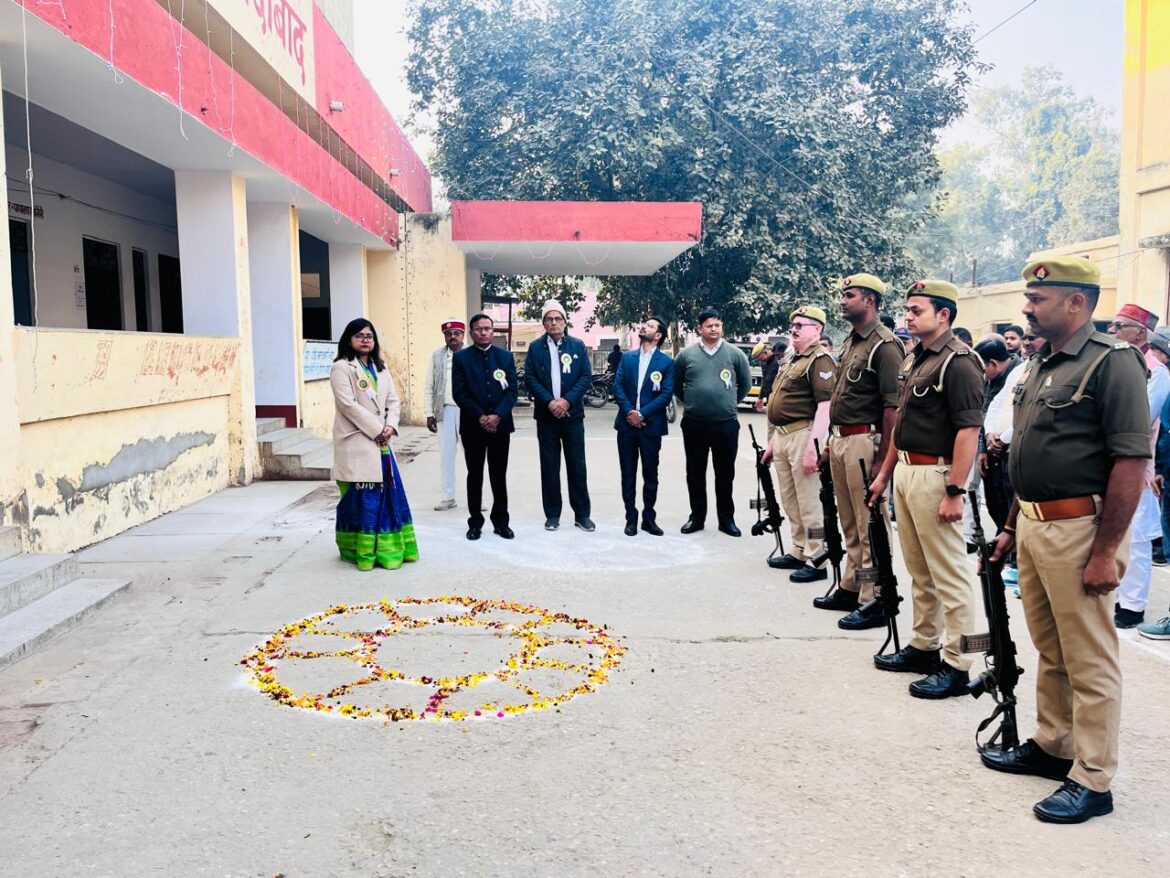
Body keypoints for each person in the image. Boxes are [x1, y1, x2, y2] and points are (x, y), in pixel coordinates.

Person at [982, 256, 1150, 824]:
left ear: (1076, 303)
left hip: (1081, 530)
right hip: (1032, 523)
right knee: (1050, 647)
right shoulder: (1038, 365)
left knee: (1090, 657)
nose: (1027, 308)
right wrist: (1009, 527)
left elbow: (1130, 459)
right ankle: (1055, 746)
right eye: (1029, 297)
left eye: (1039, 298)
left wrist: (1106, 551)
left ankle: (1094, 777)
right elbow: (1028, 454)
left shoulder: (1113, 363)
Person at [867, 280, 984, 698]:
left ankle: (958, 662)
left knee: (950, 574)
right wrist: (884, 474)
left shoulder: (959, 362)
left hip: (938, 476)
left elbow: (969, 431)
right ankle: (924, 644)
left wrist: (956, 489)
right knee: (918, 569)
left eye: (917, 310)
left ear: (944, 315)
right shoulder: (917, 356)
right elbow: (900, 423)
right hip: (906, 471)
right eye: (908, 310)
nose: (908, 316)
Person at [815, 273, 903, 630]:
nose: (842, 300)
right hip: (841, 440)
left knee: (870, 522)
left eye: (849, 295)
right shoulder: (852, 342)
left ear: (869, 300)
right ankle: (853, 585)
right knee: (849, 518)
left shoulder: (885, 345)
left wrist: (883, 461)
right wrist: (828, 442)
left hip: (866, 442)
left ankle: (877, 596)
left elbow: (891, 408)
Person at [329, 318, 419, 571]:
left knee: (387, 497)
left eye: (369, 335)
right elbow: (347, 405)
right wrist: (378, 430)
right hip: (356, 441)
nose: (366, 340)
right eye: (359, 336)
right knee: (361, 499)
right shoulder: (341, 368)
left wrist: (390, 426)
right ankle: (360, 551)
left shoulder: (381, 367)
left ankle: (388, 550)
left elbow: (393, 401)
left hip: (381, 443)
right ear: (349, 339)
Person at [761, 306, 835, 582]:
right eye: (793, 324)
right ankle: (799, 549)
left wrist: (813, 448)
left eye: (801, 325)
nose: (794, 328)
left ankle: (817, 558)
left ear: (817, 330)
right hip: (783, 435)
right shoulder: (794, 358)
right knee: (790, 499)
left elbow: (825, 407)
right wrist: (772, 443)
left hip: (804, 434)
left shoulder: (820, 359)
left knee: (809, 501)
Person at [1107, 304, 1169, 629]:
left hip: (1137, 461)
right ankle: (1117, 596)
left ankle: (1132, 606)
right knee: (1114, 530)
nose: (1112, 331)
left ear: (1140, 333)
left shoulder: (1155, 370)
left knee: (1139, 537)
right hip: (1110, 460)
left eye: (1119, 326)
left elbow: (1141, 418)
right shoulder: (1118, 362)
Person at [674, 306, 752, 536]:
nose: (714, 329)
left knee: (725, 472)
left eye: (717, 325)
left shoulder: (735, 354)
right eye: (709, 325)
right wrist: (692, 401)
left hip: (726, 423)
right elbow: (677, 385)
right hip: (694, 423)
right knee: (695, 472)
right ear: (700, 328)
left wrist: (727, 402)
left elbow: (745, 384)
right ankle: (696, 518)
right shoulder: (686, 355)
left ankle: (726, 519)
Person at [524, 299, 594, 531]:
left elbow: (585, 376)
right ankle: (552, 514)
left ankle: (582, 514)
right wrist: (550, 402)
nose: (553, 323)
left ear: (565, 322)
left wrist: (566, 401)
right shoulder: (535, 348)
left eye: (558, 319)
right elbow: (530, 378)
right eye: (549, 319)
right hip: (546, 418)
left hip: (572, 417)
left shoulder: (577, 346)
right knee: (549, 466)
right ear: (543, 323)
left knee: (577, 466)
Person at [452, 313, 519, 541]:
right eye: (478, 329)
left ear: (493, 331)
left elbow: (512, 391)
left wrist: (497, 415)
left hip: (501, 427)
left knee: (498, 475)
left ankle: (501, 522)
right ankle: (475, 523)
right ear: (471, 333)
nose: (483, 332)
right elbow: (459, 393)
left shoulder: (505, 357)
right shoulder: (461, 358)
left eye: (487, 328)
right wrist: (481, 416)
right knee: (475, 475)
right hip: (473, 427)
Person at [613, 317, 675, 536]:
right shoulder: (627, 358)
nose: (643, 327)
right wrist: (630, 412)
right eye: (644, 325)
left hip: (651, 427)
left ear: (658, 335)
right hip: (626, 426)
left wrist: (642, 413)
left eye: (649, 326)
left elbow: (666, 394)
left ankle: (649, 517)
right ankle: (631, 517)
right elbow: (618, 385)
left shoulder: (666, 363)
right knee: (627, 474)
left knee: (651, 475)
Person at [973, 335, 1018, 532]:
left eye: (982, 368)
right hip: (991, 450)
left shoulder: (1020, 374)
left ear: (992, 363)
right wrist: (983, 447)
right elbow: (984, 411)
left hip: (1012, 452)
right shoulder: (989, 380)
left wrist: (1003, 438)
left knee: (1011, 505)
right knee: (994, 501)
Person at [424, 318, 466, 511]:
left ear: (463, 335)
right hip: (445, 411)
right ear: (444, 336)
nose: (453, 337)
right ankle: (448, 497)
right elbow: (429, 386)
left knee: (473, 457)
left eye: (457, 333)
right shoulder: (437, 356)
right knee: (446, 456)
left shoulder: (472, 354)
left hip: (469, 413)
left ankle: (478, 496)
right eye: (449, 334)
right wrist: (429, 413)